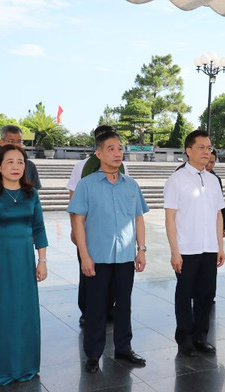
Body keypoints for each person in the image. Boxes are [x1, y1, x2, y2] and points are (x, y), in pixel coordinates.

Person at [68, 130, 149, 373]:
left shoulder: (131, 184)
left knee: (124, 305)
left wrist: (141, 250)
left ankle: (124, 349)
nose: (117, 153)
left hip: (124, 256)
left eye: (120, 148)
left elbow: (139, 219)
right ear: (99, 153)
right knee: (95, 307)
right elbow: (78, 221)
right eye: (111, 149)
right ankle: (93, 354)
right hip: (98, 257)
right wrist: (84, 255)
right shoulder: (87, 185)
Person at [0, 145, 48, 385]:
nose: (16, 167)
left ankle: (25, 365)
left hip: (24, 261)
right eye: (10, 162)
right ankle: (1, 368)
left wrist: (42, 260)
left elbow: (39, 228)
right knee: (1, 314)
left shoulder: (31, 194)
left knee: (24, 313)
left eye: (20, 162)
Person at [164, 130, 225, 357]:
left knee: (206, 295)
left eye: (209, 148)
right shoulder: (177, 180)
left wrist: (219, 246)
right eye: (201, 147)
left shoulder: (212, 180)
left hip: (209, 247)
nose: (206, 152)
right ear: (188, 150)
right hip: (186, 248)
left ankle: (201, 336)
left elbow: (219, 215)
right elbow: (170, 217)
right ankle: (185, 338)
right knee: (184, 294)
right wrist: (174, 251)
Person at [67, 125, 117, 327]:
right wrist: (74, 228)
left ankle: (108, 307)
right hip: (88, 229)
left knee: (113, 271)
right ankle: (86, 311)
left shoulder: (121, 166)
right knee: (87, 271)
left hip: (113, 230)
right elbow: (73, 196)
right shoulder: (82, 166)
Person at [0, 125, 42, 192]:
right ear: (2, 142)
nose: (15, 145)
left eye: (19, 141)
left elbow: (35, 195)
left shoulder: (30, 166)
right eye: (11, 141)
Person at [207, 149, 225, 237]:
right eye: (207, 162)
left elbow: (220, 203)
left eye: (212, 162)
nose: (209, 165)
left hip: (213, 222)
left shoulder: (215, 179)